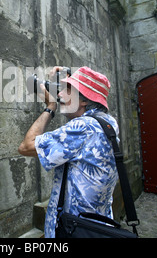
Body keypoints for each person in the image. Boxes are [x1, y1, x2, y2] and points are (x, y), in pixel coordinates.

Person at [18, 66, 119, 238]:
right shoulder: (108, 122)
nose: (59, 95)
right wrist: (61, 80)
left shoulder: (84, 127)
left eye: (67, 90)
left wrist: (50, 107)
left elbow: (26, 146)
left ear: (84, 100)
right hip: (97, 226)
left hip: (74, 229)